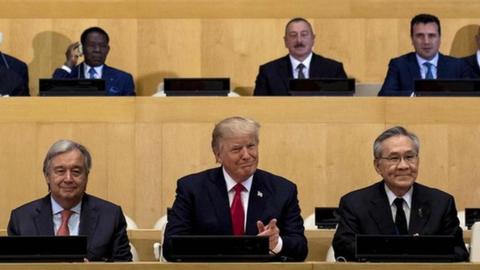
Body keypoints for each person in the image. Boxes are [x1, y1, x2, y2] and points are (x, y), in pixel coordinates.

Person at [163, 116, 308, 261]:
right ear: (218, 155)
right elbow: (170, 246)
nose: (246, 155)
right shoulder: (192, 189)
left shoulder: (282, 190)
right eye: (237, 149)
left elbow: (300, 248)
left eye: (251, 146)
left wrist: (276, 244)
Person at [332, 126, 468, 262]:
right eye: (394, 158)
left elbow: (459, 251)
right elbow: (344, 248)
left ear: (418, 160)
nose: (403, 166)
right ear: (378, 166)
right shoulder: (354, 203)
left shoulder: (441, 203)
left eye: (409, 157)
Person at [8, 139, 132, 261]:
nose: (68, 178)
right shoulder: (22, 219)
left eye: (76, 171)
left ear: (86, 176)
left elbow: (124, 266)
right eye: (60, 171)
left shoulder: (110, 216)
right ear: (47, 176)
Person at [379, 14, 471, 96]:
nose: (426, 42)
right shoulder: (399, 65)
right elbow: (384, 95)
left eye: (431, 36)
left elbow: (471, 95)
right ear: (412, 39)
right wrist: (417, 95)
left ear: (439, 38)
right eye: (420, 36)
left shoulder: (458, 66)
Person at [253, 17, 347, 96]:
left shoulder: (333, 69)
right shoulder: (268, 72)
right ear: (285, 41)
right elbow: (258, 107)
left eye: (304, 34)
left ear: (313, 39)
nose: (299, 40)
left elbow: (346, 106)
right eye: (293, 35)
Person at [52, 27, 135, 96]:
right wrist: (69, 63)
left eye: (102, 46)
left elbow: (130, 109)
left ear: (107, 50)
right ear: (82, 49)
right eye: (91, 45)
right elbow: (50, 96)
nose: (97, 50)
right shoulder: (67, 76)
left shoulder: (123, 79)